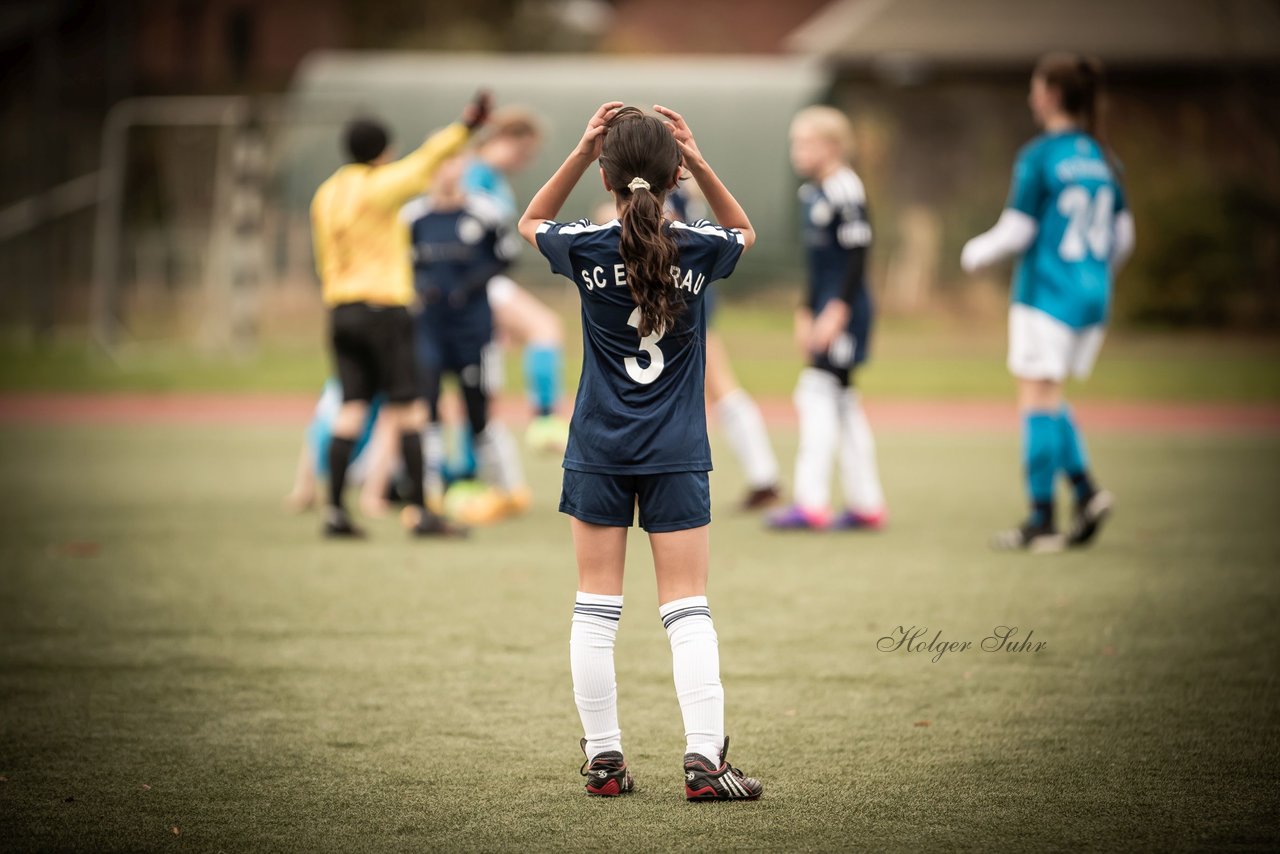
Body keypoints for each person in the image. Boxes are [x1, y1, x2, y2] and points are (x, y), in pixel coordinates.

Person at [518, 102, 764, 801]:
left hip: (597, 447)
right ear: (676, 172)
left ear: (604, 173)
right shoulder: (698, 247)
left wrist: (576, 150)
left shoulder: (587, 246)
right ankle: (703, 763)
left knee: (595, 607)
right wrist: (704, 161)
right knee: (686, 605)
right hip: (676, 452)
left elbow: (530, 222)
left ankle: (604, 761)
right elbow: (744, 229)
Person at [961, 53, 1135, 552]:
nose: (1031, 97)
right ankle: (1085, 492)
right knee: (1050, 396)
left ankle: (1042, 518)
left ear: (1051, 95)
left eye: (1036, 88)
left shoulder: (1041, 155)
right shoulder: (1105, 156)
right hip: (1091, 298)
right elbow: (1125, 238)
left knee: (1036, 400)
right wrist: (1093, 277)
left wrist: (975, 252)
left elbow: (1019, 229)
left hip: (1045, 294)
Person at [310, 92, 489, 537]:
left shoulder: (327, 193)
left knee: (351, 407)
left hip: (340, 309)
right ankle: (422, 514)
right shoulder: (378, 186)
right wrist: (467, 125)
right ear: (383, 152)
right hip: (383, 311)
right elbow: (428, 160)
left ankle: (333, 510)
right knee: (408, 408)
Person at [768, 106, 887, 532]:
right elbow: (817, 267)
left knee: (817, 393)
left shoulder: (845, 190)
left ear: (833, 146)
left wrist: (837, 310)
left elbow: (856, 260)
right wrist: (805, 310)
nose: (797, 151)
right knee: (840, 400)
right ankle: (866, 503)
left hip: (847, 312)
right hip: (824, 308)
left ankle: (811, 503)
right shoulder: (811, 193)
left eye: (806, 142)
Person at [401, 155, 529, 523]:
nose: (447, 172)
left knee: (478, 410)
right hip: (429, 328)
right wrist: (420, 289)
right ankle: (427, 494)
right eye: (439, 164)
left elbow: (506, 257)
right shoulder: (413, 217)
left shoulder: (485, 213)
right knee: (428, 407)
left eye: (452, 165)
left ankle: (509, 490)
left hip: (473, 329)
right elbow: (402, 262)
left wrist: (468, 286)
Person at [464, 108, 572, 453]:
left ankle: (470, 471)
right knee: (545, 327)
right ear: (503, 139)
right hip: (473, 283)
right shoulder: (473, 173)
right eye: (523, 152)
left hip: (486, 282)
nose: (525, 162)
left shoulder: (491, 177)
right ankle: (543, 420)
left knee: (486, 385)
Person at [667, 185, 781, 510]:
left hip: (680, 299)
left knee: (718, 386)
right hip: (688, 296)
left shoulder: (668, 193)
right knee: (714, 388)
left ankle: (765, 477)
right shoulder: (681, 191)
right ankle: (764, 477)